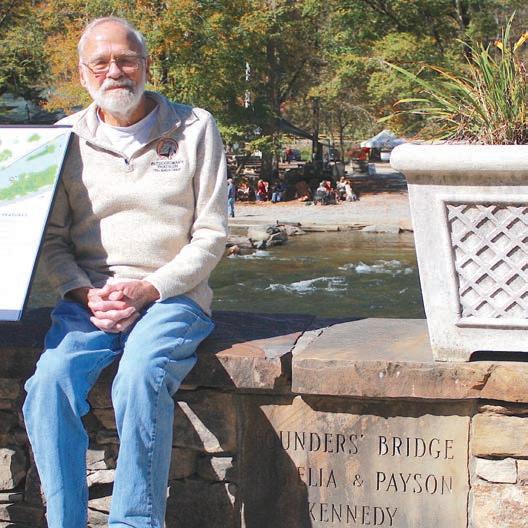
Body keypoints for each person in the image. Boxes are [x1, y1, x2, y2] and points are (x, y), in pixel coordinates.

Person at [22, 17, 227, 528]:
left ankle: (134, 523)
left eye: (126, 60)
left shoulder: (194, 127)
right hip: (88, 300)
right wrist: (81, 291)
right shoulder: (64, 138)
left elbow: (211, 235)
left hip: (173, 295)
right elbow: (52, 239)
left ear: (146, 65)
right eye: (100, 63)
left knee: (139, 377)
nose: (114, 71)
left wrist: (149, 288)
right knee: (48, 384)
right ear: (82, 73)